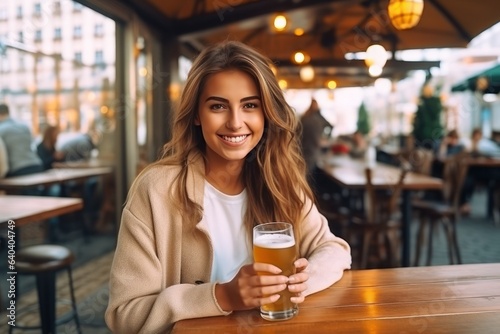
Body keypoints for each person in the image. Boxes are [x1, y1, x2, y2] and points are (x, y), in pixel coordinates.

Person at [105, 41, 351, 333]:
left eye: (250, 105)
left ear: (266, 114)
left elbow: (334, 249)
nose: (235, 123)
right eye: (218, 106)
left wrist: (306, 279)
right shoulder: (156, 189)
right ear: (197, 114)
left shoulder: (280, 180)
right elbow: (124, 316)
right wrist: (223, 295)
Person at [0, 103, 43, 177]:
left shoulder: (1, 130)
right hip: (36, 164)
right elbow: (32, 144)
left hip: (17, 169)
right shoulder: (23, 126)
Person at [299, 98, 333, 192]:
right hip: (312, 151)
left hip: (305, 151)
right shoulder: (316, 117)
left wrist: (325, 138)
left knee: (306, 177)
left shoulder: (305, 117)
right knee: (311, 177)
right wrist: (326, 137)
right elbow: (330, 126)